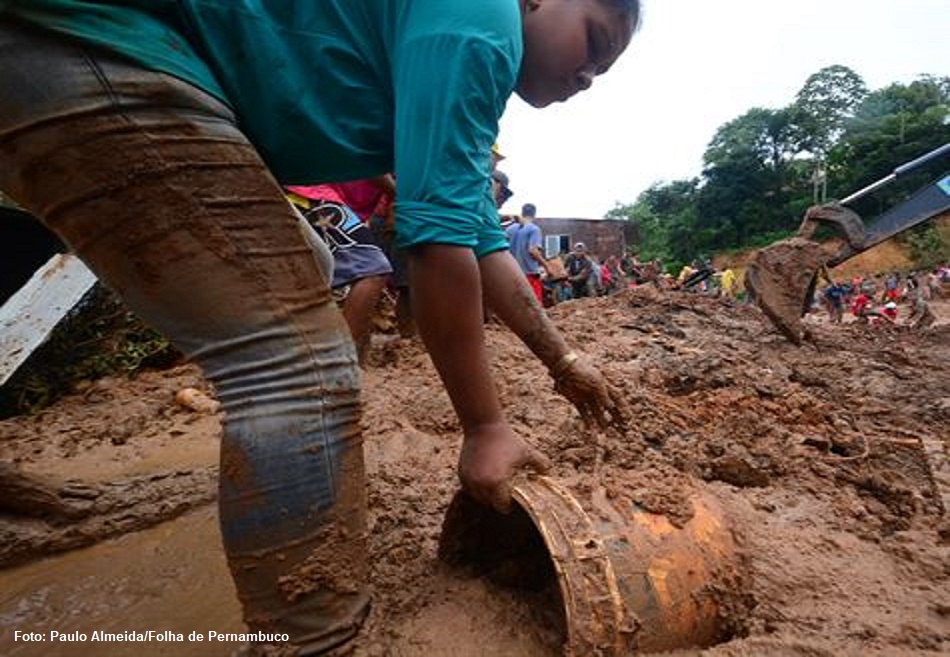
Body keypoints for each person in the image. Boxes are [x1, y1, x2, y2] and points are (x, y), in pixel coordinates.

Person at [0, 1, 641, 654]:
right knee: (298, 362)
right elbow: (437, 240)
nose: (590, 72)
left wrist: (561, 361)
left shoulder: (464, 44)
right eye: (594, 39)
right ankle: (313, 641)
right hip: (99, 42)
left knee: (312, 261)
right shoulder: (482, 21)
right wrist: (485, 428)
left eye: (605, 68)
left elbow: (478, 232)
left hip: (97, 50)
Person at [286, 181, 393, 364]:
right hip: (312, 195)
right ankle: (340, 361)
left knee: (310, 281)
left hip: (302, 193)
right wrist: (397, 190)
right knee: (373, 268)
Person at [506, 203, 547, 303]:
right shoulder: (534, 229)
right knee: (534, 305)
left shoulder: (509, 229)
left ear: (522, 212)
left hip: (512, 273)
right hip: (529, 274)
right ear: (534, 214)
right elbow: (533, 251)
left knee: (516, 305)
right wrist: (546, 266)